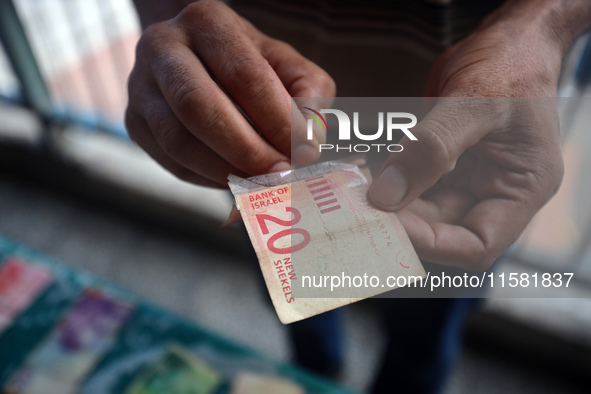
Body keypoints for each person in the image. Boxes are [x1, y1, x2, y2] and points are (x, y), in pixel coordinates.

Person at [126, 1, 591, 392]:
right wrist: (178, 29)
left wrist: (543, 25)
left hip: (469, 157)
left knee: (419, 343)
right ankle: (319, 375)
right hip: (267, 152)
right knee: (305, 315)